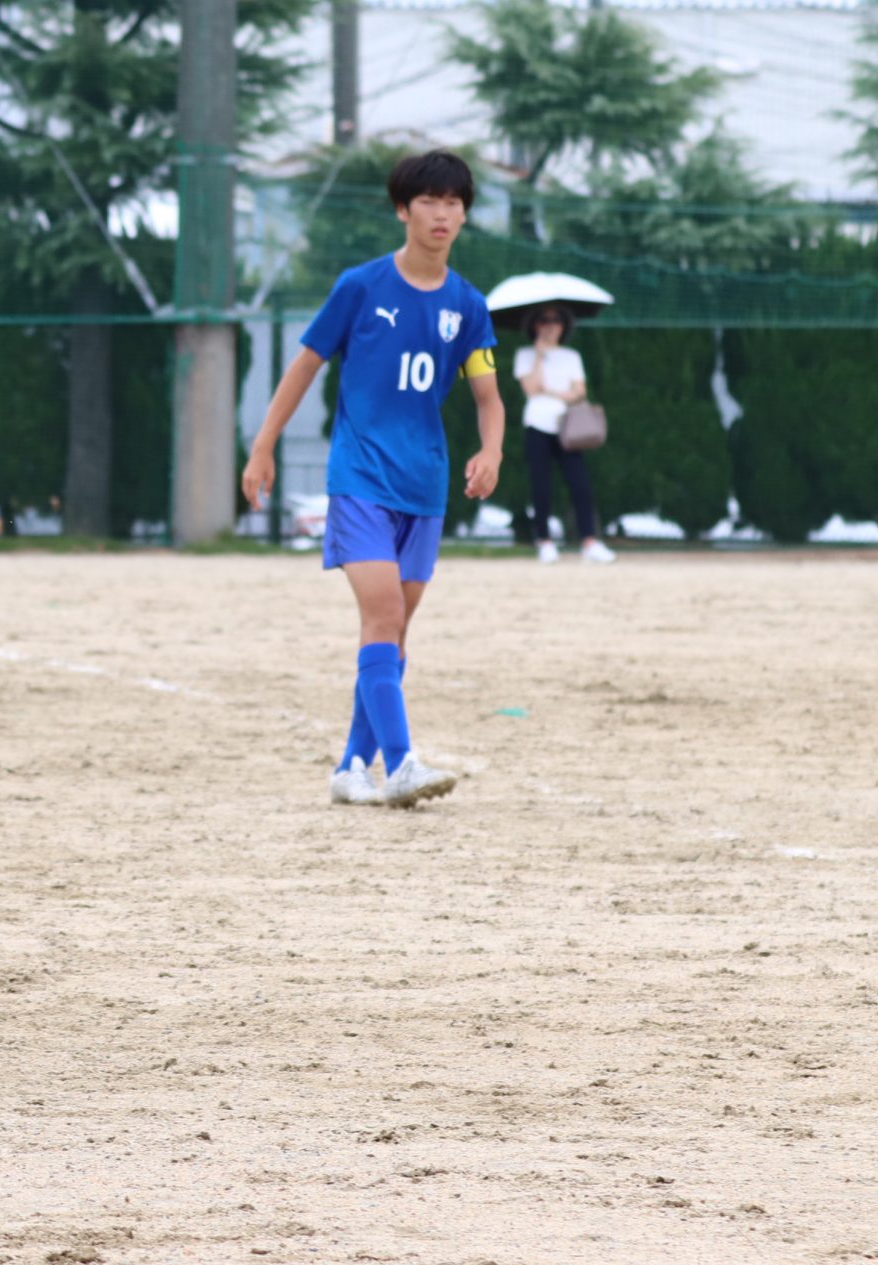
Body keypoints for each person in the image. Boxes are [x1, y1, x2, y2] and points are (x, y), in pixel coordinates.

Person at [242, 150, 506, 808]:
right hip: (359, 476)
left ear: (464, 213)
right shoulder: (360, 286)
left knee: (393, 630)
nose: (442, 214)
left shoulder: (468, 305)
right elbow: (303, 366)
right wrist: (263, 444)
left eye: (453, 203)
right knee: (384, 613)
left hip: (426, 485)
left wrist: (492, 450)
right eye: (428, 202)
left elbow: (488, 398)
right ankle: (403, 764)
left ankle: (351, 766)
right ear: (402, 210)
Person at [514, 304, 615, 566]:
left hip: (567, 427)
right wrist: (539, 355)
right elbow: (531, 388)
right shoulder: (525, 355)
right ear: (534, 325)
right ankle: (544, 542)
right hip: (537, 424)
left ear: (564, 325)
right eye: (544, 319)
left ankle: (589, 541)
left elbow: (579, 392)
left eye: (556, 320)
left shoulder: (571, 356)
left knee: (580, 485)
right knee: (541, 487)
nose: (550, 325)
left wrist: (554, 392)